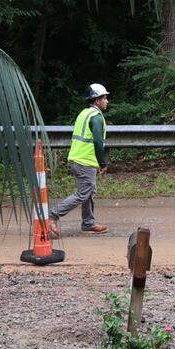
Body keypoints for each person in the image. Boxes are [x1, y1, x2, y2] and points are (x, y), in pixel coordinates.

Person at [50, 83, 110, 235]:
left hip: (78, 159)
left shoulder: (84, 113)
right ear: (97, 100)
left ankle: (88, 223)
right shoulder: (96, 117)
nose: (107, 101)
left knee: (88, 192)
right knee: (83, 193)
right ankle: (52, 216)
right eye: (104, 98)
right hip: (85, 161)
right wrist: (102, 162)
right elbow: (97, 141)